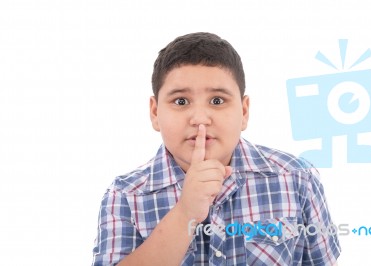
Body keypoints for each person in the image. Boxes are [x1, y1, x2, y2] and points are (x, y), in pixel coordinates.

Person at [92, 32, 341, 266]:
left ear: (244, 112)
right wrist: (184, 213)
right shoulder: (124, 195)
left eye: (217, 101)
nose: (200, 117)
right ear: (155, 113)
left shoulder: (297, 177)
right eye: (181, 101)